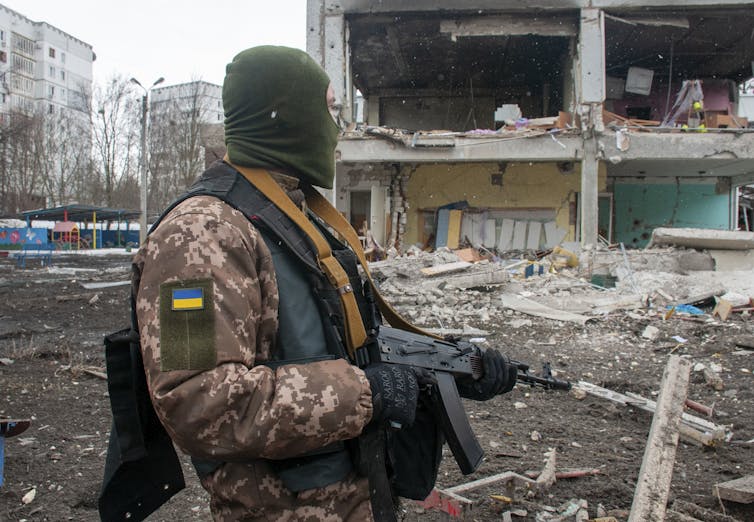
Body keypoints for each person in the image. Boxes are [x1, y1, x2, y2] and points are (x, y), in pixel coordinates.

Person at [111, 46, 518, 521]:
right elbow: (198, 401)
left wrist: (446, 366)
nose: (338, 127)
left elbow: (344, 347)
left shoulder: (293, 217)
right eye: (330, 109)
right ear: (284, 114)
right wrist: (367, 392)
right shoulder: (198, 235)